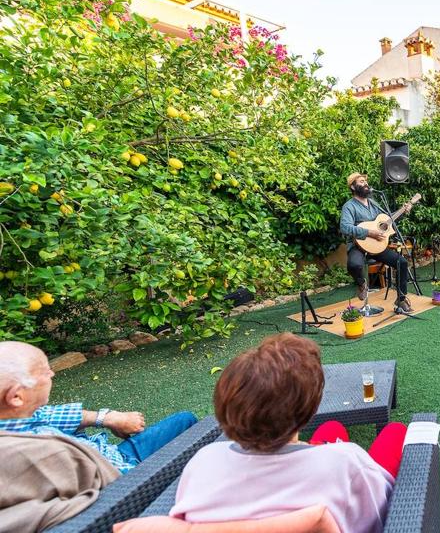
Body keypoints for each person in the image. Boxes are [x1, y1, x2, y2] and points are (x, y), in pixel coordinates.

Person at [170, 333, 404, 531]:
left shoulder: (203, 461)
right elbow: (381, 512)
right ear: (308, 408)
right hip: (335, 476)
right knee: (395, 431)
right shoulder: (346, 462)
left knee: (331, 428)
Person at [0, 341, 197, 473]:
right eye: (44, 372)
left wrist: (107, 418)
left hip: (113, 454)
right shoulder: (37, 450)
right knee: (196, 439)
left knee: (185, 420)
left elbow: (51, 414)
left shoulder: (18, 416)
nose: (52, 374)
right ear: (16, 396)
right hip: (128, 473)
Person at [340, 172, 413, 312]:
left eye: (365, 181)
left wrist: (403, 212)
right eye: (361, 182)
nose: (365, 184)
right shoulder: (349, 206)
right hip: (358, 246)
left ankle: (401, 299)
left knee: (401, 263)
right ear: (353, 187)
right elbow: (345, 227)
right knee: (354, 265)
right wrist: (369, 232)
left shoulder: (374, 204)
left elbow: (387, 223)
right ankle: (361, 284)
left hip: (377, 246)